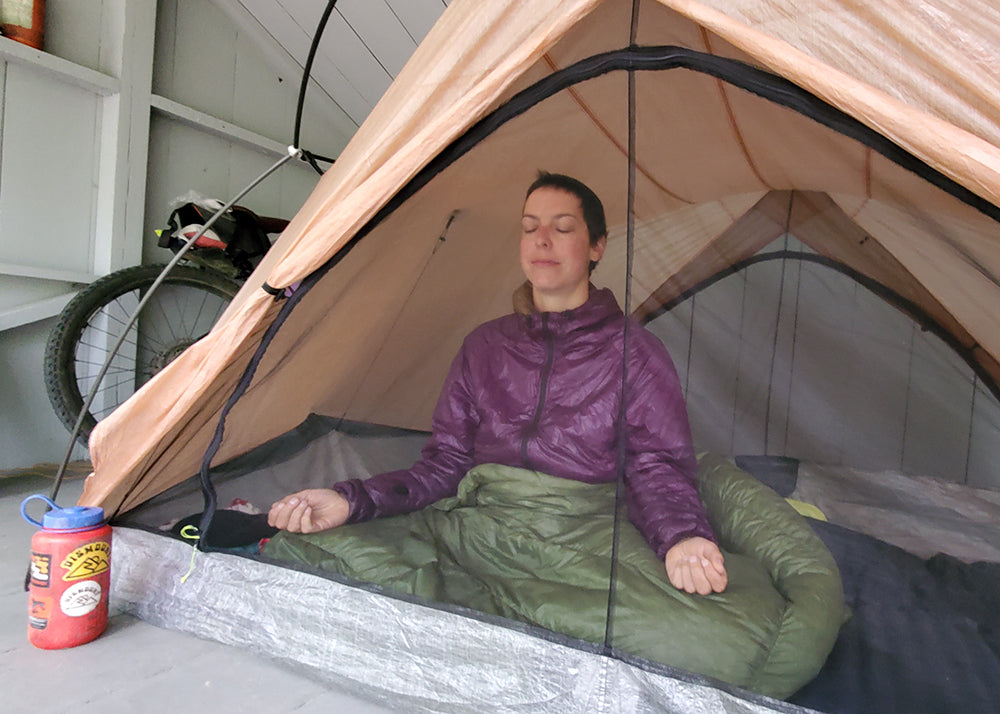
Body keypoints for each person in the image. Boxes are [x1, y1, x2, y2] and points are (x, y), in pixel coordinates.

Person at [269, 172, 728, 596]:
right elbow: (445, 464)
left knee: (713, 635)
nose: (542, 239)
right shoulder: (484, 346)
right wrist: (351, 500)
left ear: (597, 246)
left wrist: (682, 537)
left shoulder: (636, 353)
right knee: (312, 556)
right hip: (480, 525)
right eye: (530, 227)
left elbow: (657, 466)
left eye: (563, 227)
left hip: (582, 531)